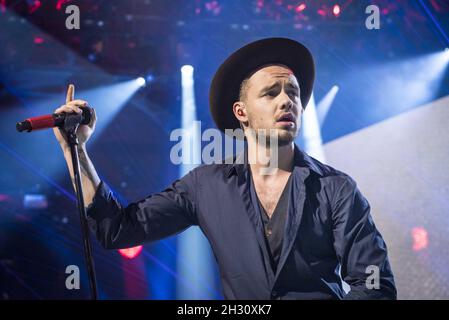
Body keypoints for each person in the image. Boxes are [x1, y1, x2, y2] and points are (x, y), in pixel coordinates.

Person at [53, 38, 396, 300]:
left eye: (293, 92)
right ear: (241, 112)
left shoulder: (336, 188)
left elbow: (375, 284)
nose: (287, 100)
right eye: (271, 93)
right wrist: (77, 149)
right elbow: (117, 230)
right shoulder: (206, 185)